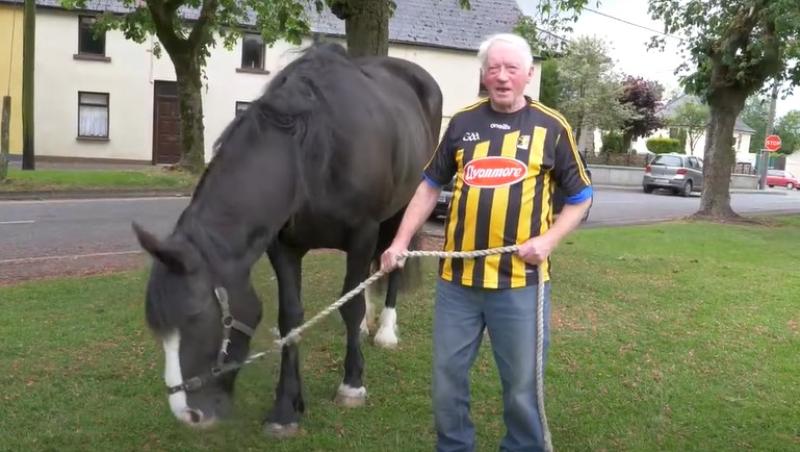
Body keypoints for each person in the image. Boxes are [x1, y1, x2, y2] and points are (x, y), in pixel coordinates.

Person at [380, 33, 592, 452]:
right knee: (446, 379)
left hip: (521, 285)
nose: (501, 76)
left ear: (528, 75)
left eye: (511, 68)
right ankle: (454, 446)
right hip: (457, 284)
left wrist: (548, 241)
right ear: (483, 74)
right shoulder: (462, 123)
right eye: (493, 68)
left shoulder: (552, 127)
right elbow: (428, 186)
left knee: (521, 385)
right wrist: (399, 241)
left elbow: (582, 198)